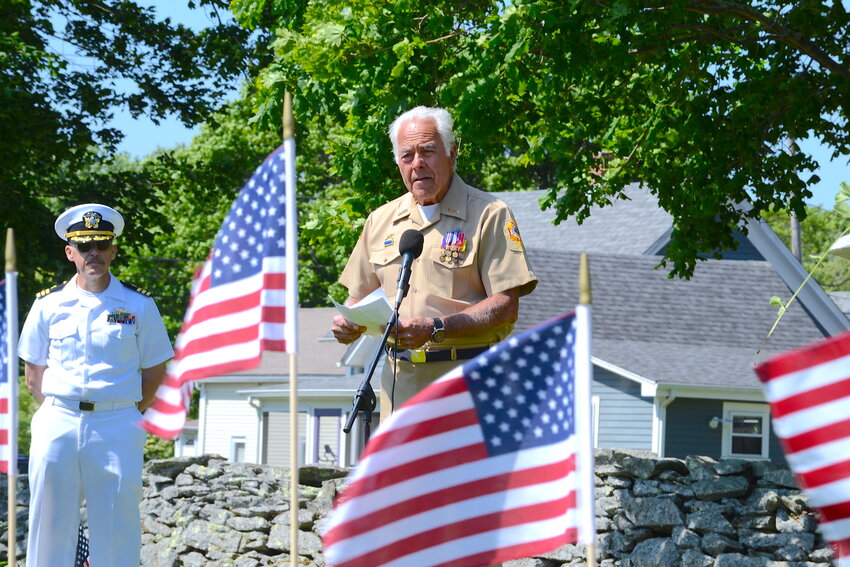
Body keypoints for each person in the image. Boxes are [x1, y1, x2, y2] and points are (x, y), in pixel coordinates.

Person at [332, 106, 538, 422]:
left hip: (467, 384)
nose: (417, 164)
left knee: (465, 473)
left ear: (452, 153)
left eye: (427, 151)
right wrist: (348, 322)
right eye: (407, 156)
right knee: (399, 473)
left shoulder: (489, 214)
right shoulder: (380, 221)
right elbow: (358, 296)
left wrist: (437, 327)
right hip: (398, 387)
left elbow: (506, 305)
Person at [18, 203, 174, 567]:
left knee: (117, 523)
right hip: (58, 419)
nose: (94, 254)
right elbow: (33, 371)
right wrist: (63, 407)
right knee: (49, 521)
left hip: (117, 423)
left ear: (113, 252)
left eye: (102, 246)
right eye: (85, 246)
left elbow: (155, 371)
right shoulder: (48, 304)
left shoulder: (139, 305)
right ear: (70, 252)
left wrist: (121, 411)